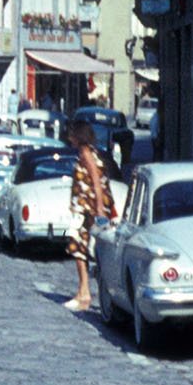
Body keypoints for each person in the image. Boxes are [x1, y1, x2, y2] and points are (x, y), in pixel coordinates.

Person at [64, 119, 114, 312]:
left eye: (71, 134)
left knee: (77, 246)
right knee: (85, 248)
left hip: (88, 208)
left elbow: (94, 178)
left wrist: (100, 208)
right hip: (86, 207)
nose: (69, 138)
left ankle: (84, 293)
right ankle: (83, 291)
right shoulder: (91, 151)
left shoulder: (86, 153)